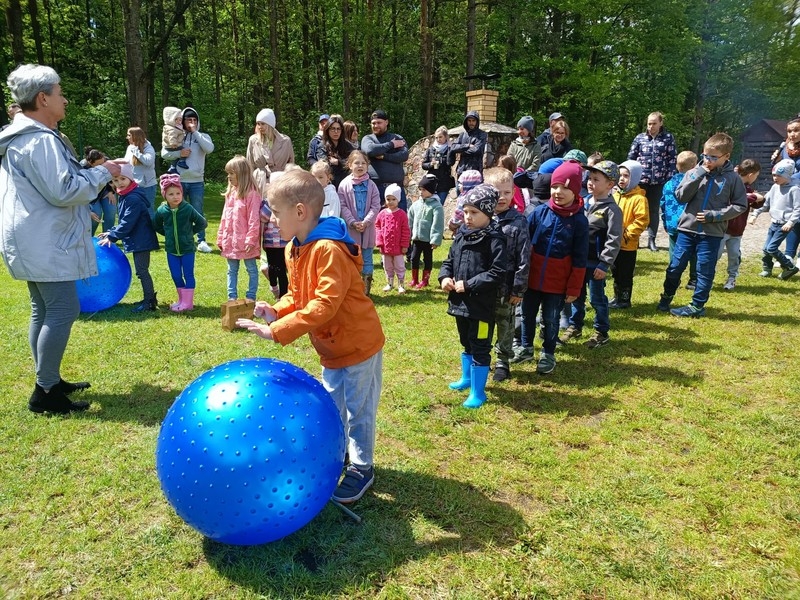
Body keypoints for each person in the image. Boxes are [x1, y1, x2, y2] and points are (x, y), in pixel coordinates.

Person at [236, 170, 385, 505]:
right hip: (330, 347)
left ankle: (362, 467)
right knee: (334, 407)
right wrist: (275, 311)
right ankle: (340, 455)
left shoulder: (329, 250)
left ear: (300, 212)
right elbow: (300, 296)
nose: (271, 219)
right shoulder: (293, 249)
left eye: (275, 211)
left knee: (359, 408)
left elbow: (325, 304)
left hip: (359, 344)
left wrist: (277, 331)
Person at [0, 64, 121, 414]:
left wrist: (93, 172)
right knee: (64, 308)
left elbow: (59, 181)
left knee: (44, 308)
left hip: (31, 238)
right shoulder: (37, 140)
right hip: (43, 239)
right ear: (42, 98)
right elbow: (65, 190)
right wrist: (104, 172)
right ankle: (45, 392)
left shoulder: (25, 137)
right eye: (59, 92)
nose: (64, 99)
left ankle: (49, 380)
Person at [657, 133, 748, 317]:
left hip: (712, 233)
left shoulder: (733, 179)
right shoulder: (693, 172)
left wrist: (714, 216)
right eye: (705, 155)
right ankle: (666, 298)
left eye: (714, 157)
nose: (708, 160)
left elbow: (740, 205)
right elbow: (681, 196)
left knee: (704, 270)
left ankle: (697, 306)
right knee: (675, 266)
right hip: (686, 230)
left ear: (726, 157)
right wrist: (699, 174)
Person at [513, 160, 588, 374]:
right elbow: (524, 243)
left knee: (551, 318)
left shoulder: (580, 222)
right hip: (532, 278)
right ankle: (526, 347)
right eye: (555, 186)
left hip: (557, 283)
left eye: (565, 187)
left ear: (575, 191)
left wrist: (574, 288)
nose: (558, 192)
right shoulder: (539, 212)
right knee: (527, 314)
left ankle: (548, 352)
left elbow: (580, 258)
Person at [439, 184, 507, 409]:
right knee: (465, 340)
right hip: (460, 304)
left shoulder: (495, 239)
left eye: (474, 212)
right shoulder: (461, 235)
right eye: (466, 211)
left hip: (481, 306)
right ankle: (467, 379)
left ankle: (478, 392)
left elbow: (497, 272)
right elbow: (449, 260)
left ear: (487, 213)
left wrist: (469, 285)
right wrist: (445, 277)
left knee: (480, 345)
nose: (468, 217)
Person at [560, 161, 622, 347]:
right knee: (576, 295)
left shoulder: (612, 210)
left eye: (596, 179)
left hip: (596, 265)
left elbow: (614, 239)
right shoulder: (582, 202)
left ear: (610, 185)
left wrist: (604, 264)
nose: (590, 182)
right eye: (589, 178)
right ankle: (575, 326)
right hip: (578, 262)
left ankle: (601, 331)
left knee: (597, 298)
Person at [482, 167, 529, 382]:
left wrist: (518, 288)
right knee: (483, 322)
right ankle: (481, 354)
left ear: (513, 192)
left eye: (507, 193)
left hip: (507, 286)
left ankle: (503, 360)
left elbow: (524, 258)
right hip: (482, 286)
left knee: (505, 323)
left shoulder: (518, 222)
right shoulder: (481, 218)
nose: (501, 197)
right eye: (496, 192)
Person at [98, 161, 159, 311]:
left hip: (142, 240)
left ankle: (149, 302)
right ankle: (148, 299)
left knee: (142, 271)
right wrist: (111, 231)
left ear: (131, 179)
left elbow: (128, 222)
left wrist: (112, 237)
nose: (119, 183)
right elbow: (124, 220)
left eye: (123, 179)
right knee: (142, 270)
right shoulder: (126, 195)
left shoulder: (132, 198)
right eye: (115, 180)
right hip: (138, 239)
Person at [161, 107, 215, 252]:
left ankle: (201, 241)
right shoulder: (177, 135)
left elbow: (209, 149)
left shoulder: (203, 136)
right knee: (178, 210)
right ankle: (180, 238)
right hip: (179, 181)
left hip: (197, 181)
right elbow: (164, 153)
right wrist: (179, 153)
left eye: (194, 120)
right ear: (183, 121)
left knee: (197, 211)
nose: (191, 123)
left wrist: (195, 132)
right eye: (188, 120)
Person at [154, 173, 207, 311]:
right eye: (171, 194)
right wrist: (167, 234)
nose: (175, 196)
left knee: (188, 274)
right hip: (171, 250)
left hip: (187, 249)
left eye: (178, 193)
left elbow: (202, 223)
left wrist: (190, 233)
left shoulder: (187, 208)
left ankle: (188, 304)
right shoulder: (162, 210)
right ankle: (182, 300)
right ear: (164, 195)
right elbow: (156, 224)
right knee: (176, 275)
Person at [627, 111, 677, 252]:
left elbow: (672, 160)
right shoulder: (640, 138)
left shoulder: (668, 138)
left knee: (654, 211)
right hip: (640, 181)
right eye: (649, 123)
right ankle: (634, 239)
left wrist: (669, 179)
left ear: (661, 123)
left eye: (654, 123)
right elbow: (631, 158)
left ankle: (651, 240)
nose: (651, 126)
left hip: (659, 181)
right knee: (635, 210)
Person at [217, 156, 262, 301]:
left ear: (242, 174)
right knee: (231, 270)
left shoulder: (252, 194)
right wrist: (220, 237)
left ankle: (250, 297)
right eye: (228, 173)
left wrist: (251, 240)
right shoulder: (230, 193)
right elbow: (224, 218)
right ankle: (232, 298)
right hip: (230, 240)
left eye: (232, 173)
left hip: (246, 242)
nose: (228, 176)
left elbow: (254, 219)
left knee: (251, 269)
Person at [749, 159, 800, 280]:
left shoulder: (795, 189)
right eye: (774, 175)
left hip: (784, 225)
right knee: (765, 249)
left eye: (779, 175)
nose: (775, 178)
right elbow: (765, 203)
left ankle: (789, 267)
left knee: (771, 248)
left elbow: (798, 209)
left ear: (787, 175)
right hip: (774, 223)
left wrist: (790, 222)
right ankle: (767, 268)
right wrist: (755, 214)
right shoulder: (774, 188)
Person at [338, 150, 381, 295]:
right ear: (350, 165)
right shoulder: (344, 185)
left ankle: (366, 290)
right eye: (357, 163)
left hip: (367, 230)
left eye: (364, 163)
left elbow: (376, 205)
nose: (360, 165)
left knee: (367, 258)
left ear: (368, 165)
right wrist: (352, 222)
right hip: (351, 230)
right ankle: (354, 288)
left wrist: (366, 222)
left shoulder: (372, 186)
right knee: (352, 258)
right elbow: (342, 205)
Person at [717, 159, 764, 291]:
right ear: (751, 174)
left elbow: (757, 201)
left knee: (734, 255)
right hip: (723, 228)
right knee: (715, 254)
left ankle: (732, 279)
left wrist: (756, 197)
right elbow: (740, 198)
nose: (755, 178)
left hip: (737, 230)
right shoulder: (731, 182)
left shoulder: (749, 188)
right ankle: (706, 278)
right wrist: (754, 196)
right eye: (756, 175)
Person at [609, 160, 649, 309]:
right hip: (614, 243)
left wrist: (626, 235)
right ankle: (617, 297)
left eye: (626, 176)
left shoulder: (639, 198)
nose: (622, 179)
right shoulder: (615, 195)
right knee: (615, 271)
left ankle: (624, 300)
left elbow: (642, 220)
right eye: (620, 175)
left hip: (627, 244)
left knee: (625, 273)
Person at [361, 109, 409, 210]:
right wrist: (391, 145)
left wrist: (384, 156)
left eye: (379, 123)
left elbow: (404, 155)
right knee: (377, 223)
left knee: (399, 223)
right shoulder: (368, 139)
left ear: (386, 122)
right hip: (375, 189)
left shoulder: (397, 137)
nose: (376, 125)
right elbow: (370, 150)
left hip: (396, 189)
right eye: (373, 123)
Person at [770, 118, 800, 265]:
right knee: (791, 220)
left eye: (796, 130)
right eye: (789, 131)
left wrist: (790, 178)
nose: (792, 134)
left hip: (796, 186)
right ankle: (789, 255)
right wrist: (775, 160)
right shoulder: (784, 146)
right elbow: (779, 167)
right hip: (789, 188)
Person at [247, 108, 295, 197]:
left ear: (270, 124)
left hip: (280, 182)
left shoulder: (285, 141)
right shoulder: (253, 140)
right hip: (259, 183)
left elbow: (291, 164)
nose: (260, 127)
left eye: (263, 124)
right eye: (258, 124)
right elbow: (250, 165)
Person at [407, 173, 445, 289]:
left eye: (423, 190)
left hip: (428, 239)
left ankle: (425, 280)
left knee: (427, 259)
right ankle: (414, 279)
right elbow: (410, 220)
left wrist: (435, 239)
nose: (421, 192)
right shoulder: (416, 205)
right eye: (419, 189)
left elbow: (437, 224)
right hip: (417, 239)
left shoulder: (436, 206)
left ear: (431, 191)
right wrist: (408, 234)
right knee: (414, 258)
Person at [375, 183, 411, 293]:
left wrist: (405, 245)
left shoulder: (402, 214)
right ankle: (389, 283)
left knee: (399, 266)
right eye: (388, 199)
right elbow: (378, 227)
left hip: (398, 248)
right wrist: (379, 242)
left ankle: (401, 284)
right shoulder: (382, 214)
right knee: (387, 266)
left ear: (398, 200)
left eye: (393, 199)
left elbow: (406, 231)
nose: (390, 202)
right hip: (386, 247)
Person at [124, 126, 158, 218]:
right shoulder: (130, 148)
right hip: (133, 184)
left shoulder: (148, 148)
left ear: (135, 136)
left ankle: (151, 231)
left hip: (147, 185)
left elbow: (148, 161)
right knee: (134, 210)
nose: (127, 137)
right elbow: (126, 162)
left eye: (129, 135)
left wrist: (136, 151)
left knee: (148, 210)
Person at [82, 147, 116, 235]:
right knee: (96, 215)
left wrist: (111, 191)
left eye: (103, 163)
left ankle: (108, 237)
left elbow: (113, 178)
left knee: (111, 211)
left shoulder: (107, 161)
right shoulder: (82, 167)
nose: (102, 166)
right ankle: (89, 238)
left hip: (105, 191)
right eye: (99, 165)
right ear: (90, 163)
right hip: (90, 195)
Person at [315, 114, 355, 188]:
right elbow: (324, 165)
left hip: (346, 184)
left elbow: (353, 163)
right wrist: (344, 163)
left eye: (338, 129)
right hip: (329, 184)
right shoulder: (322, 146)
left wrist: (338, 162)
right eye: (333, 129)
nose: (336, 131)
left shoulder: (348, 146)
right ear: (328, 130)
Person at [421, 125, 454, 204]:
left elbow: (451, 162)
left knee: (439, 205)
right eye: (436, 137)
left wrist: (450, 149)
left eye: (440, 137)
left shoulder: (450, 148)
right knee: (428, 205)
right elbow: (424, 165)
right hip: (431, 182)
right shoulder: (431, 149)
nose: (438, 139)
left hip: (444, 182)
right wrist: (431, 164)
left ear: (445, 137)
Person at [450, 110, 487, 176]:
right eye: (469, 121)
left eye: (473, 121)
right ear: (466, 121)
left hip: (475, 170)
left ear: (477, 122)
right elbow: (453, 147)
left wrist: (460, 150)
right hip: (461, 170)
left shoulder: (482, 134)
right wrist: (467, 146)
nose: (471, 123)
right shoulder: (462, 135)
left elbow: (476, 150)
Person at [161, 106, 188, 170]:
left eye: (180, 119)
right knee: (184, 150)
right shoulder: (171, 128)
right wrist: (173, 143)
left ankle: (173, 167)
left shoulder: (174, 127)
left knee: (176, 157)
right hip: (173, 145)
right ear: (172, 119)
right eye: (177, 119)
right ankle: (182, 161)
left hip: (172, 145)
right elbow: (172, 136)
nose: (179, 121)